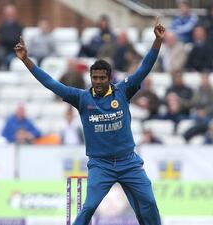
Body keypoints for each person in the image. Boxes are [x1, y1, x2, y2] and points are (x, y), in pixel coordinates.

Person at [14, 17, 165, 225]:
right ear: (91, 78)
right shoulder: (82, 98)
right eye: (95, 78)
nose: (98, 82)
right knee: (89, 207)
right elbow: (50, 83)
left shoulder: (122, 91)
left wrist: (157, 41)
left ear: (109, 78)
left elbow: (144, 68)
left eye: (102, 78)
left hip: (128, 161)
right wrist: (26, 60)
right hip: (100, 165)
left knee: (148, 201)